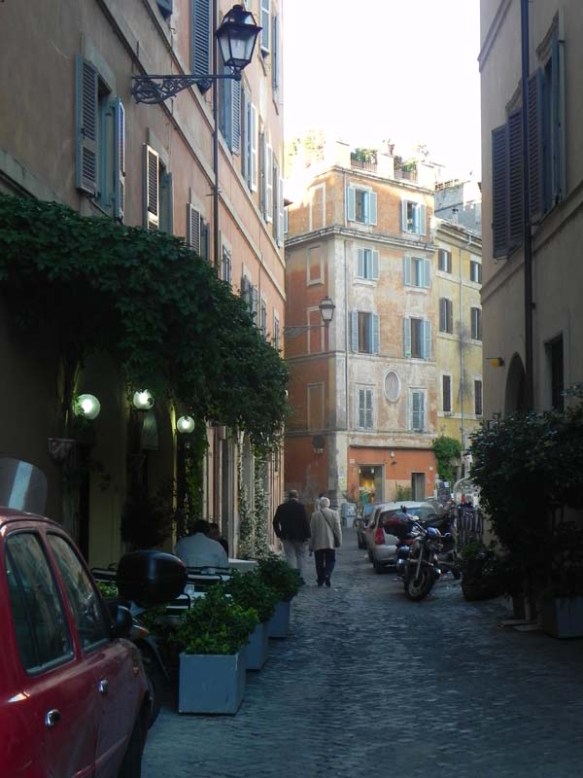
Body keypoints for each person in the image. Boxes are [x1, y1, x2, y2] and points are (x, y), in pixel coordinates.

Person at [273, 489, 311, 583]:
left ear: (288, 497)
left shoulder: (281, 507)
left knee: (290, 556)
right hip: (300, 536)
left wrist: (279, 534)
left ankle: (292, 576)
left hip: (286, 535)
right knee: (301, 556)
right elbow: (305, 522)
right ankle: (301, 577)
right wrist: (307, 536)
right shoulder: (301, 507)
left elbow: (275, 522)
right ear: (297, 497)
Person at [309, 496, 342, 587]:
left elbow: (312, 531)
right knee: (331, 560)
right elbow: (338, 529)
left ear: (320, 504)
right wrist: (339, 541)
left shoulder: (314, 515)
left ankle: (320, 579)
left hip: (318, 543)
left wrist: (311, 545)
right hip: (330, 543)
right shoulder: (334, 513)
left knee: (319, 562)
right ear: (329, 504)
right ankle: (327, 573)